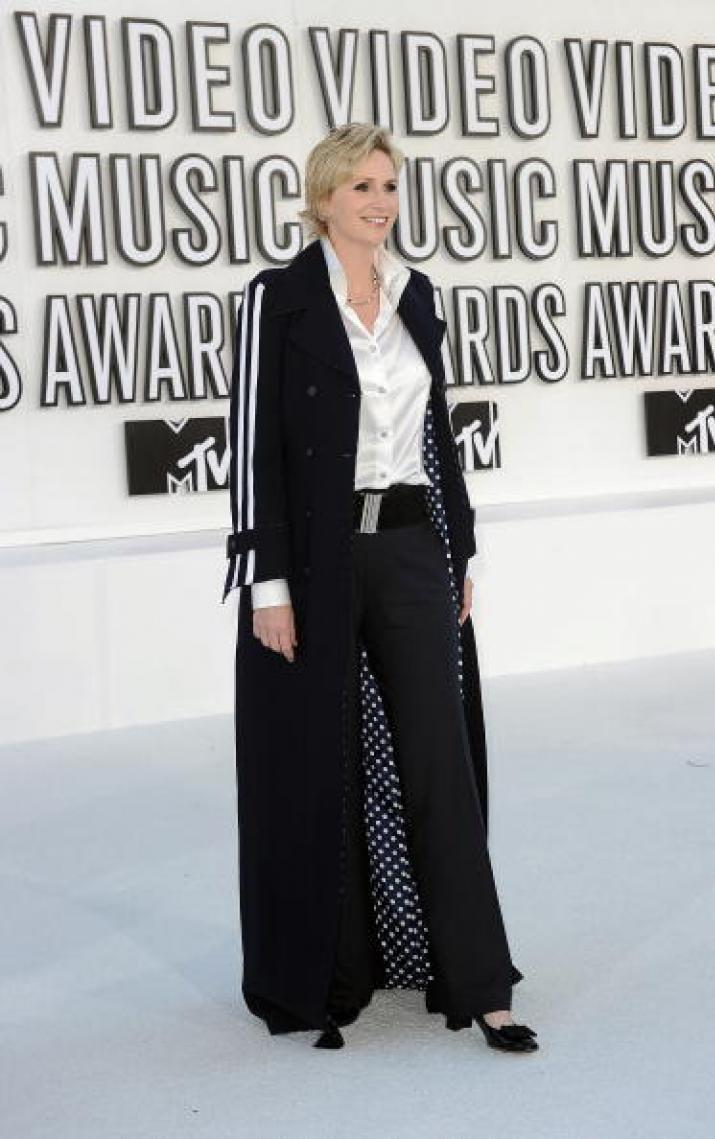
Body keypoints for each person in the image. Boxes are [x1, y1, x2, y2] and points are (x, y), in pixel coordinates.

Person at [223, 122, 538, 1053]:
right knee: (321, 761)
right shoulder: (276, 300)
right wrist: (266, 582)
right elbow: (254, 450)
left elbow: (438, 438)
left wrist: (463, 554)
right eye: (361, 186)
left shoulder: (418, 295)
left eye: (389, 185)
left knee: (441, 762)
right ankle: (330, 974)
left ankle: (483, 983)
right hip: (315, 566)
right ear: (323, 198)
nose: (379, 201)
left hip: (409, 547)